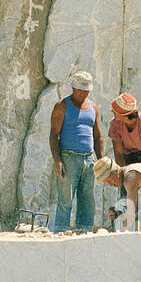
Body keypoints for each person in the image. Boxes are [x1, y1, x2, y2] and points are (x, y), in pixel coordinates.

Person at [49, 70, 102, 232]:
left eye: (86, 91)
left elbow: (98, 136)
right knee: (65, 200)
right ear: (73, 88)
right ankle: (60, 233)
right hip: (69, 157)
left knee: (87, 199)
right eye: (80, 91)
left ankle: (83, 232)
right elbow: (53, 135)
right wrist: (57, 160)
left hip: (89, 158)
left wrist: (101, 161)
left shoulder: (93, 107)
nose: (83, 94)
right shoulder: (62, 105)